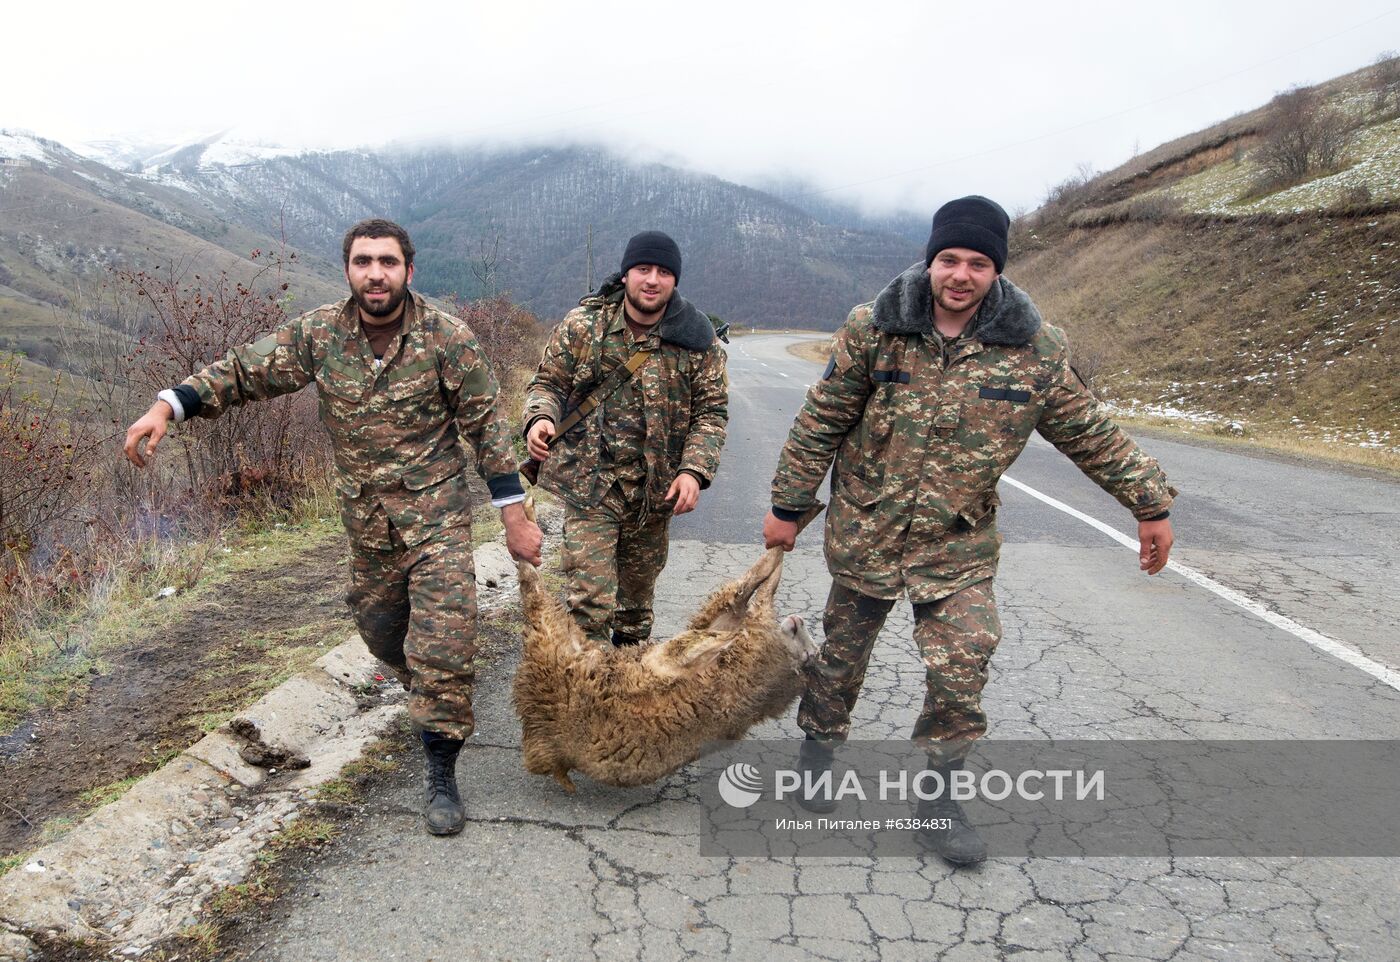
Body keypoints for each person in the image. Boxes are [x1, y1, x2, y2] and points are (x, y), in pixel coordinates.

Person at [762, 196, 1176, 866]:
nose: (960, 273)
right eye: (948, 259)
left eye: (977, 263)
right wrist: (788, 505)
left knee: (965, 664)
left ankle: (939, 801)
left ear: (996, 271)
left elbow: (1088, 433)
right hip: (867, 528)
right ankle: (818, 753)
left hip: (956, 542)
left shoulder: (1035, 348)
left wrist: (1149, 505)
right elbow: (822, 418)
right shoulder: (875, 327)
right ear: (930, 260)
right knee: (840, 657)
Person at [123, 218, 542, 837]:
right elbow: (243, 372)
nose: (376, 273)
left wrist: (513, 516)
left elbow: (487, 431)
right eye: (364, 261)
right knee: (381, 634)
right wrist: (168, 405)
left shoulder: (448, 339)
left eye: (389, 262)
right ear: (349, 269)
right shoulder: (320, 335)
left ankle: (442, 768)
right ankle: (427, 692)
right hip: (368, 528)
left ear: (409, 271)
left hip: (438, 524)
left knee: (444, 646)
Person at [523, 230, 728, 647]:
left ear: (675, 280)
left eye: (664, 272)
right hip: (590, 486)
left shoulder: (696, 341)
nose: (652, 280)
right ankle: (584, 700)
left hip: (654, 495)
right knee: (589, 605)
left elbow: (711, 413)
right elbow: (547, 383)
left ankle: (627, 698)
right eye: (643, 269)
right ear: (626, 273)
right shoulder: (584, 326)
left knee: (634, 613)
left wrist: (693, 471)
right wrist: (539, 418)